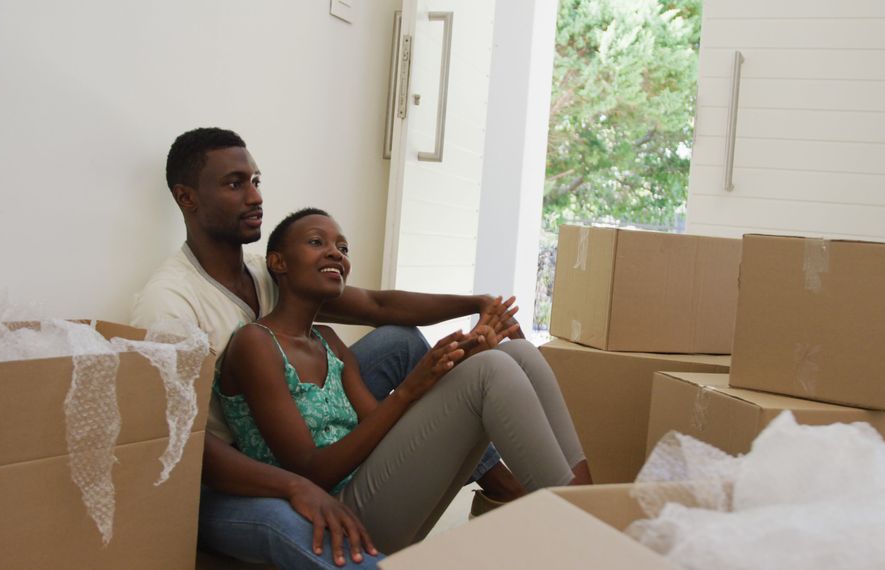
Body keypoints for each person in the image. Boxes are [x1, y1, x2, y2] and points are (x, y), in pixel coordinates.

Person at [131, 128, 534, 568]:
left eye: (256, 181)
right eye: (235, 183)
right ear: (187, 198)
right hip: (224, 478)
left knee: (401, 342)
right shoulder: (168, 303)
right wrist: (293, 486)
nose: (254, 197)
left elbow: (377, 304)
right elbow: (179, 442)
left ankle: (499, 487)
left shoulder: (264, 271)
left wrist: (476, 303)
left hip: (286, 427)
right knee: (312, 532)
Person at [215, 208, 591, 553]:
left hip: (378, 489)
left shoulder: (328, 341)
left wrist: (451, 365)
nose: (335, 253)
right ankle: (591, 538)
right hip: (338, 516)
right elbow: (311, 470)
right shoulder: (256, 343)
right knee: (491, 370)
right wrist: (412, 387)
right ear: (277, 262)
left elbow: (382, 430)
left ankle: (595, 513)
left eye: (342, 247)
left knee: (516, 355)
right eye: (317, 242)